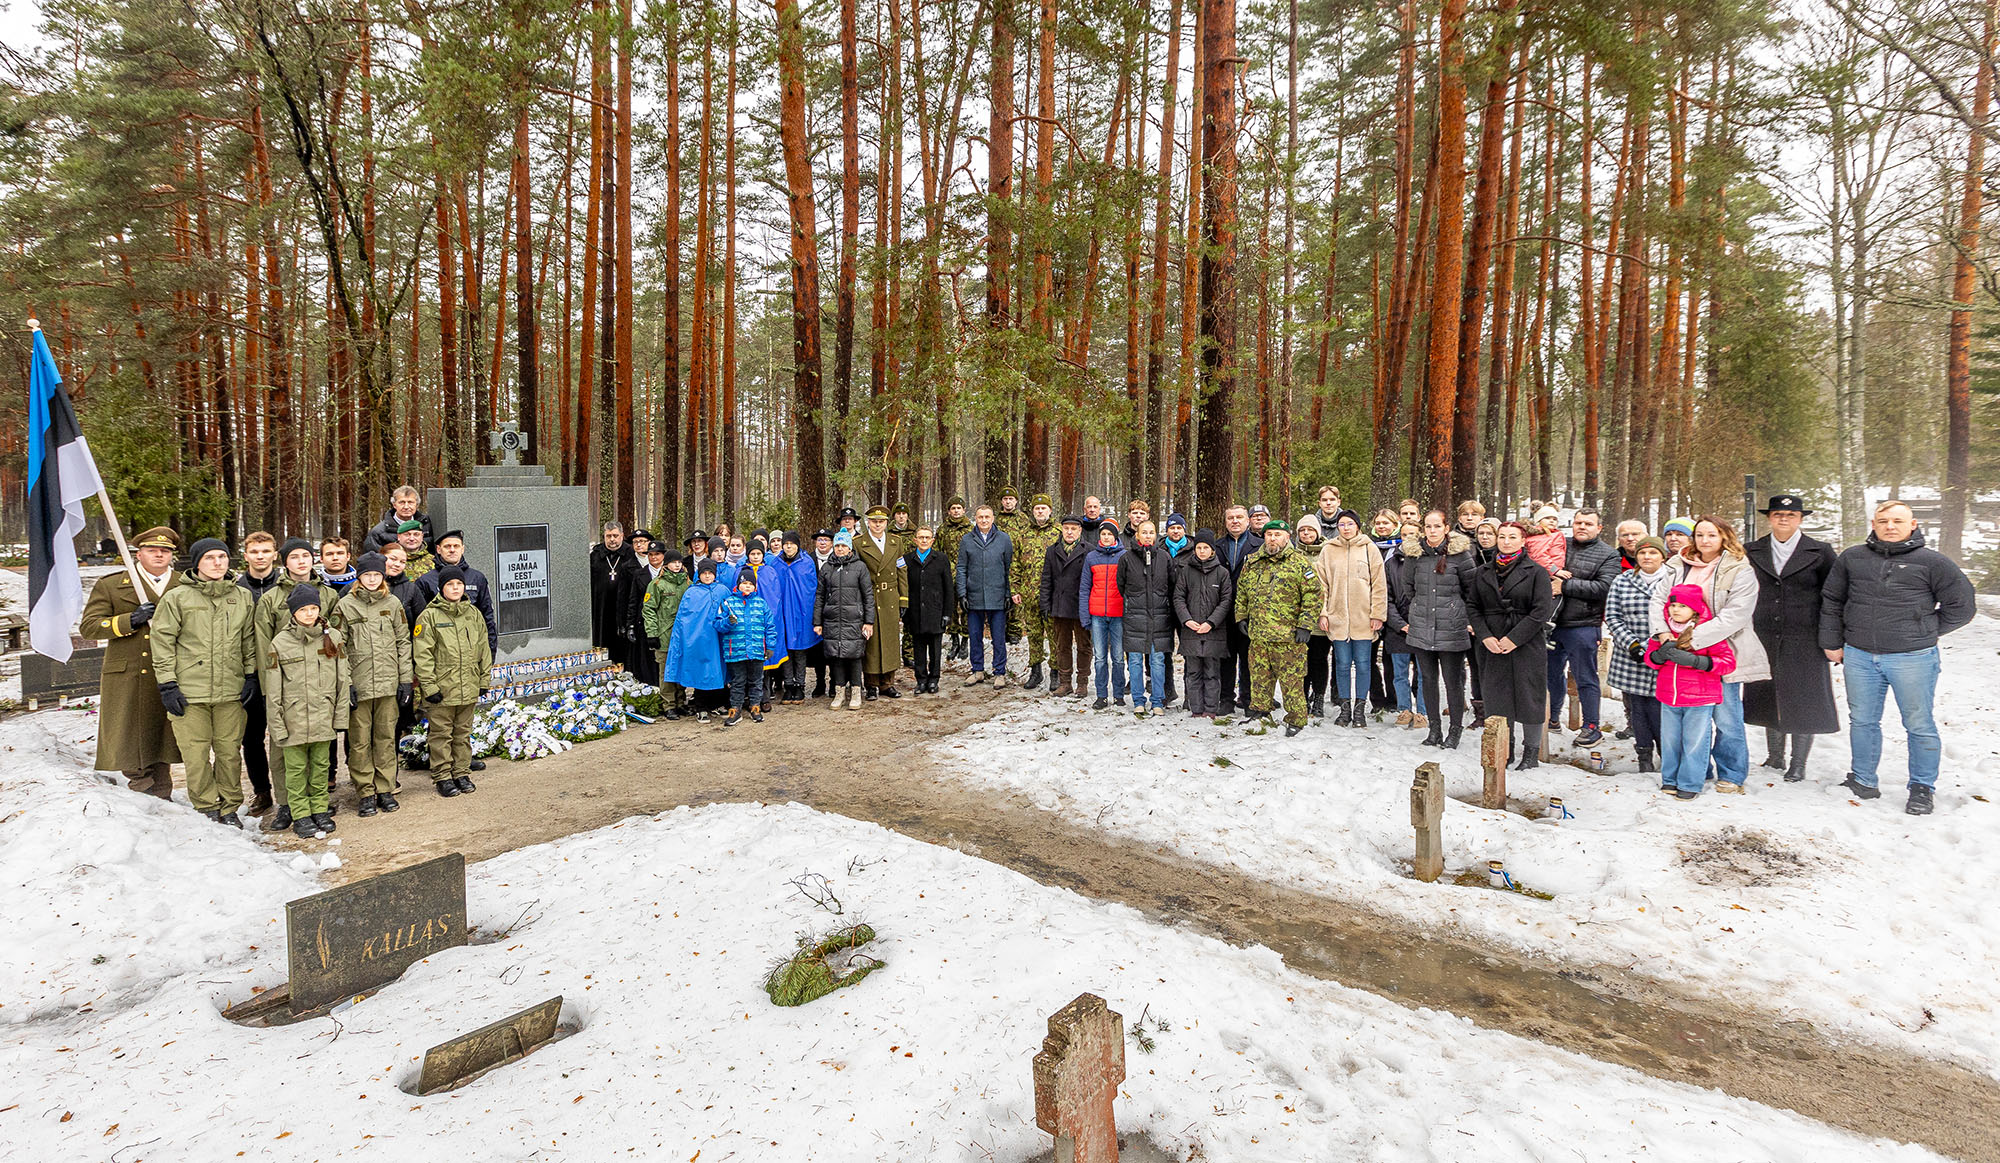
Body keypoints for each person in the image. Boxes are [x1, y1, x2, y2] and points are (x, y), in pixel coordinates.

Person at [1820, 501, 1975, 815]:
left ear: (1913, 524)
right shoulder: (1853, 557)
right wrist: (1831, 641)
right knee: (1863, 720)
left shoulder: (1933, 563)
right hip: (1860, 655)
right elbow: (1832, 600)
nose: (1890, 526)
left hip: (1912, 657)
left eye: (1897, 521)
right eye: (1883, 520)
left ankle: (1921, 787)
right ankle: (1863, 779)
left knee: (1918, 724)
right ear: (1874, 524)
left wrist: (1924, 630)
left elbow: (1962, 607)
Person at [1648, 516, 1768, 793]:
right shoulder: (1678, 564)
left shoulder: (1739, 569)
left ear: (1724, 537)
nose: (1705, 541)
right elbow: (1659, 600)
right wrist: (1663, 632)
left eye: (1711, 535)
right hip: (1678, 649)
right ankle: (1697, 769)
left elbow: (1736, 613)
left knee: (1726, 717)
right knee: (1690, 720)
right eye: (1700, 535)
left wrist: (1693, 640)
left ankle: (1732, 772)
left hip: (1723, 648)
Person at [151, 536, 258, 825]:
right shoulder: (177, 598)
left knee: (229, 753)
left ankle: (229, 807)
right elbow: (163, 642)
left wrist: (250, 675)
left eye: (222, 557)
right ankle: (207, 806)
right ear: (197, 562)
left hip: (230, 690)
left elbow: (248, 639)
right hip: (189, 691)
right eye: (210, 558)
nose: (217, 563)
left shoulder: (242, 596)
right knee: (196, 755)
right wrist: (167, 684)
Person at [1742, 495, 1840, 782]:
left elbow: (1833, 595)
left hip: (1805, 636)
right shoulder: (1752, 550)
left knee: (1803, 697)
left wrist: (1832, 636)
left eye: (1790, 515)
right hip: (1764, 634)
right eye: (1777, 514)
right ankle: (1775, 756)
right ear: (1769, 518)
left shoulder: (1820, 552)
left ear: (1800, 519)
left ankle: (1799, 762)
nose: (1783, 519)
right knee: (1767, 693)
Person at [82, 527, 183, 800]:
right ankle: (142, 791)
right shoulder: (113, 584)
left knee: (163, 735)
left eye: (165, 551)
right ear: (139, 554)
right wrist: (130, 620)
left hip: (171, 670)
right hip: (129, 672)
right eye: (152, 550)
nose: (159, 555)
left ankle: (162, 794)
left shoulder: (184, 584)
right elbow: (89, 627)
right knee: (131, 734)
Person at [252, 537, 340, 832]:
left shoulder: (326, 594)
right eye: (294, 557)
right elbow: (264, 644)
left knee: (319, 756)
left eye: (306, 555)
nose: (301, 561)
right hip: (287, 689)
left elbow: (336, 637)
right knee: (284, 755)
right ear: (284, 561)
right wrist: (269, 694)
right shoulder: (271, 598)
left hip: (318, 684)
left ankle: (318, 804)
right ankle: (287, 805)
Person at [1468, 521, 1558, 770]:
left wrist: (1514, 639)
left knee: (1529, 696)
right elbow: (1473, 606)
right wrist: (1485, 636)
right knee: (1497, 696)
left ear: (1522, 541)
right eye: (1502, 537)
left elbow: (1541, 610)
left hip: (1526, 642)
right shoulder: (1483, 572)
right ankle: (1504, 748)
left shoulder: (1537, 572)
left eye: (1512, 537)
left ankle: (1530, 753)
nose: (1506, 542)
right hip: (1491, 642)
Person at [332, 552, 413, 817]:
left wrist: (405, 680)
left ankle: (385, 787)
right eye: (367, 575)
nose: (371, 579)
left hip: (389, 683)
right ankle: (365, 791)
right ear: (359, 576)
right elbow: (338, 647)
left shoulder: (393, 603)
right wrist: (348, 683)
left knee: (386, 738)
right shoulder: (345, 605)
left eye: (376, 575)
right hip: (361, 683)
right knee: (359, 741)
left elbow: (403, 642)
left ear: (383, 576)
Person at [264, 584, 349, 838]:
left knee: (322, 767)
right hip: (294, 720)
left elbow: (342, 680)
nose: (310, 614)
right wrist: (277, 726)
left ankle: (320, 809)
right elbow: (273, 689)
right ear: (293, 613)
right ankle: (300, 814)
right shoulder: (280, 642)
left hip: (323, 716)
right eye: (303, 609)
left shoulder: (332, 637)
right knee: (296, 771)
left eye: (314, 608)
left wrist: (340, 717)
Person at [1647, 584, 1739, 800]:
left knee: (1695, 741)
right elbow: (1650, 657)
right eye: (1673, 605)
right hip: (1669, 695)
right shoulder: (1664, 631)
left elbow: (1728, 662)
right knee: (1669, 740)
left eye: (1682, 606)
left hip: (1700, 698)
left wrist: (1699, 661)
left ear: (1695, 610)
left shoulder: (1707, 631)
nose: (1675, 610)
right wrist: (1657, 657)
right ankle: (1670, 779)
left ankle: (1690, 782)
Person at [1396, 512, 1478, 749]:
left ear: (1446, 527)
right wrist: (1420, 608)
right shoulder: (1415, 556)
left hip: (1451, 626)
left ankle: (1455, 730)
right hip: (1422, 626)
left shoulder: (1460, 556)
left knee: (1453, 681)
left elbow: (1471, 590)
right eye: (1428, 527)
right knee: (1428, 679)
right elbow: (1409, 588)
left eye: (1437, 526)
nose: (1432, 531)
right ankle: (1434, 730)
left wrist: (1458, 612)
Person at [1546, 509, 1621, 747]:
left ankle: (1591, 726)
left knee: (1585, 677)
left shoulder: (1609, 555)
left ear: (1599, 528)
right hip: (1551, 623)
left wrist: (1565, 586)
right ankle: (1552, 718)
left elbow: (1605, 587)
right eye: (1578, 522)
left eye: (1588, 523)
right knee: (1550, 674)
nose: (1582, 527)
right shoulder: (1561, 544)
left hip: (1583, 624)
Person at [412, 566, 490, 795]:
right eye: (450, 585)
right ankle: (443, 776)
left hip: (468, 684)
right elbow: (422, 654)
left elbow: (483, 648)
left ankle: (461, 772)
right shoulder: (429, 616)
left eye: (459, 584)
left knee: (463, 733)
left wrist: (483, 680)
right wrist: (430, 686)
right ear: (441, 588)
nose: (455, 588)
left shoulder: (473, 614)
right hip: (443, 688)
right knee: (440, 735)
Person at [1238, 520, 1317, 737]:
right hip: (1259, 634)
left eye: (1278, 534)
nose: (1273, 538)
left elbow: (1313, 595)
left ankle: (1296, 718)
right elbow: (1242, 592)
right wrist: (1241, 617)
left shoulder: (1299, 563)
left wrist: (1305, 625)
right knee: (1260, 676)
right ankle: (1260, 711)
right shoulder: (1253, 562)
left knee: (1291, 680)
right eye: (1269, 534)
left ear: (1287, 537)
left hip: (1288, 636)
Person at [1604, 536, 1674, 773]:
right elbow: (1612, 616)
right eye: (1642, 553)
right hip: (1631, 656)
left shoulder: (1674, 579)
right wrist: (1632, 644)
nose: (1646, 557)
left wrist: (1659, 646)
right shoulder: (1622, 581)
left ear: (1662, 556)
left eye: (1653, 553)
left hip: (1664, 654)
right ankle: (1643, 755)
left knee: (1659, 709)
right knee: (1638, 710)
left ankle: (1667, 754)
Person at [1315, 510, 1387, 729]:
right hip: (1337, 618)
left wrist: (1377, 614)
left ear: (1357, 526)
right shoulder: (1328, 550)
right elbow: (1321, 585)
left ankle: (1360, 710)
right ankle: (1345, 708)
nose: (1345, 528)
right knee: (1342, 664)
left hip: (1363, 618)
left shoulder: (1369, 549)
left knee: (1364, 664)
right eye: (1341, 524)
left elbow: (1379, 585)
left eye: (1349, 524)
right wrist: (1323, 612)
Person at [235, 530, 283, 815]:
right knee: (252, 737)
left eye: (265, 551)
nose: (260, 557)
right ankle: (262, 791)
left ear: (274, 554)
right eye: (255, 552)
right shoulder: (236, 587)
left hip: (281, 672)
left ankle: (291, 792)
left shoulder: (284, 585)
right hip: (248, 673)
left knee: (285, 735)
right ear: (246, 556)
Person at [1116, 520, 1176, 715]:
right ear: (1137, 535)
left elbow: (1171, 584)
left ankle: (1157, 701)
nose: (1148, 535)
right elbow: (1121, 585)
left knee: (1157, 660)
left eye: (1151, 532)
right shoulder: (1126, 558)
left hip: (1159, 617)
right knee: (1134, 661)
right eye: (1144, 532)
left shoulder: (1165, 558)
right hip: (1135, 617)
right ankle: (1138, 700)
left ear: (1156, 535)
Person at [1174, 531, 1235, 719]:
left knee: (1212, 673)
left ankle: (1210, 708)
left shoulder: (1222, 573)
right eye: (1199, 547)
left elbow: (1226, 600)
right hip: (1191, 630)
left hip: (1214, 632)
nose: (1202, 551)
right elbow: (1178, 597)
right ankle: (1196, 708)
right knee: (1193, 672)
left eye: (1205, 548)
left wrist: (1211, 622)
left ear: (1212, 550)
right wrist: (1187, 620)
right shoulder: (1186, 571)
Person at [814, 530, 876, 709]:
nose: (840, 549)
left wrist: (868, 622)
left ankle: (856, 691)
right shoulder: (827, 568)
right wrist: (817, 622)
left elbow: (868, 596)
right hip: (832, 620)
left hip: (854, 620)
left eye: (844, 546)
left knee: (854, 656)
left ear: (850, 548)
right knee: (837, 657)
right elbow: (819, 596)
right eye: (838, 546)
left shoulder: (860, 567)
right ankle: (839, 691)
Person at [957, 504, 1015, 687]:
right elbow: (961, 568)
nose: (983, 520)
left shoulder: (1004, 539)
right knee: (975, 635)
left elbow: (1009, 568)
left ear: (993, 518)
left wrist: (1008, 593)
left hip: (997, 595)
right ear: (975, 518)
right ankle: (977, 670)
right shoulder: (967, 540)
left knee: (998, 636)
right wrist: (962, 593)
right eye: (980, 517)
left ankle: (999, 672)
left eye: (987, 517)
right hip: (974, 596)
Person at [666, 558, 730, 721]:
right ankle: (701, 706)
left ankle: (717, 703)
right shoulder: (691, 592)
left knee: (719, 671)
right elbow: (684, 619)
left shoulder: (722, 590)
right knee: (702, 672)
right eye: (704, 573)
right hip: (699, 638)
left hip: (718, 637)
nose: (707, 576)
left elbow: (729, 610)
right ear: (699, 574)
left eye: (710, 573)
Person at [715, 568, 781, 725]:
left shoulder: (761, 603)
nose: (747, 586)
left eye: (750, 584)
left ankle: (755, 706)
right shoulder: (728, 603)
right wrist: (727, 622)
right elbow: (717, 624)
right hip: (736, 651)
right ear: (738, 585)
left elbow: (770, 627)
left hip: (757, 650)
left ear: (755, 587)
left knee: (756, 680)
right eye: (744, 583)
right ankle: (735, 709)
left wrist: (770, 646)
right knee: (738, 681)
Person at [855, 505, 908, 698]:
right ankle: (871, 684)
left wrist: (903, 599)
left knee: (890, 639)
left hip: (890, 598)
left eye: (881, 522)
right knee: (871, 641)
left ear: (887, 523)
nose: (878, 525)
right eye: (874, 521)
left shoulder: (896, 542)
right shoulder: (859, 543)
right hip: (869, 596)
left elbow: (901, 570)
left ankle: (888, 683)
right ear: (868, 522)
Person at [420, 530, 499, 657]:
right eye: (447, 546)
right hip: (442, 657)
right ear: (438, 549)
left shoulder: (477, 578)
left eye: (456, 546)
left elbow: (487, 617)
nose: (452, 550)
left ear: (462, 549)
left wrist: (490, 653)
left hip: (472, 653)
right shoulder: (425, 581)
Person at [1009, 496, 1061, 688]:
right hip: (1028, 594)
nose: (1040, 511)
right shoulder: (1024, 533)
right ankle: (1036, 671)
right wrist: (1015, 589)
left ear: (1050, 511)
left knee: (1054, 635)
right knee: (1033, 634)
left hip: (1052, 596)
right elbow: (1015, 564)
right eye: (1037, 508)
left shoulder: (1059, 533)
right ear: (1032, 511)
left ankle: (1055, 672)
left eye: (1043, 508)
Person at [1040, 514, 1093, 697]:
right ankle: (1065, 682)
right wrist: (1045, 604)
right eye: (1066, 528)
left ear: (1080, 531)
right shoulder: (1052, 550)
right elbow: (1046, 579)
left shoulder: (1089, 551)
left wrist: (1090, 607)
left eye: (1073, 529)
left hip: (1081, 606)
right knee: (1061, 646)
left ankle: (1082, 682)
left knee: (1084, 646)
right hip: (1060, 605)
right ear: (1061, 530)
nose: (1069, 532)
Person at [1078, 519, 1129, 708]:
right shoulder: (1091, 557)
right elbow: (1084, 588)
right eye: (1103, 534)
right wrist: (1085, 616)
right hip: (1097, 615)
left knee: (1117, 657)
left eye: (1109, 534)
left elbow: (1129, 587)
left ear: (1115, 536)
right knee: (1099, 658)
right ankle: (1101, 695)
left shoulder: (1124, 556)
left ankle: (1118, 694)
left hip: (1118, 615)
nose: (1106, 537)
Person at [1217, 506, 1264, 711]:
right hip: (1224, 612)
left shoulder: (1259, 546)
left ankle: (1247, 699)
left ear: (1248, 521)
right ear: (1226, 522)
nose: (1235, 521)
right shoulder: (1218, 546)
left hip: (1250, 613)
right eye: (1230, 518)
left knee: (1248, 659)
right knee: (1226, 658)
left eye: (1239, 518)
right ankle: (1226, 698)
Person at [903, 526, 953, 694]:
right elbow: (902, 586)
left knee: (935, 649)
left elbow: (948, 588)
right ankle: (921, 680)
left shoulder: (941, 559)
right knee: (918, 649)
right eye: (921, 537)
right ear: (915, 540)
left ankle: (934, 679)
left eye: (927, 537)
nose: (924, 540)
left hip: (935, 612)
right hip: (915, 612)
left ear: (932, 540)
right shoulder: (906, 560)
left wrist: (947, 613)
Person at [642, 549, 692, 716]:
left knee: (682, 668)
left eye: (679, 562)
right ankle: (668, 705)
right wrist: (652, 633)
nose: (677, 565)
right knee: (667, 671)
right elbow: (649, 609)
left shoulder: (687, 583)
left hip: (684, 635)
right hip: (664, 634)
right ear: (666, 564)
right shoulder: (657, 584)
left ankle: (680, 701)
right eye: (673, 562)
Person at [777, 534, 826, 700]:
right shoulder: (776, 563)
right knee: (787, 651)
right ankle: (788, 685)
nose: (788, 547)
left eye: (792, 544)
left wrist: (812, 615)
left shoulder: (806, 562)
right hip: (783, 613)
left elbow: (811, 590)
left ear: (798, 545)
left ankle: (800, 685)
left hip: (802, 614)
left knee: (800, 651)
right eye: (786, 544)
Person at [1296, 516, 1331, 715]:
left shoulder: (1328, 552)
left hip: (1321, 616)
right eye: (1302, 530)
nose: (1306, 534)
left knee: (1318, 659)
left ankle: (1318, 697)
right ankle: (1302, 696)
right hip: (1298, 617)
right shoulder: (1293, 553)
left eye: (1310, 530)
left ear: (1318, 532)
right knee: (1301, 659)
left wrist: (1325, 612)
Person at [590, 521, 638, 666]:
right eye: (608, 536)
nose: (612, 539)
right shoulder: (596, 555)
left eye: (615, 536)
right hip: (601, 607)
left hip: (622, 607)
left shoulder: (631, 554)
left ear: (622, 536)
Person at [936, 497, 975, 659]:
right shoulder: (942, 529)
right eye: (953, 508)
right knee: (950, 609)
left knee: (966, 608)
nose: (956, 511)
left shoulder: (971, 529)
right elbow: (936, 553)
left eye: (959, 507)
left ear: (964, 510)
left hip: (967, 575)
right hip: (947, 576)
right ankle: (954, 640)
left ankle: (965, 641)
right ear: (948, 511)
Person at [361, 484, 435, 553]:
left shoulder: (427, 525)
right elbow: (372, 561)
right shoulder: (378, 533)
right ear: (394, 505)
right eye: (402, 502)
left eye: (410, 502)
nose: (406, 507)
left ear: (417, 505)